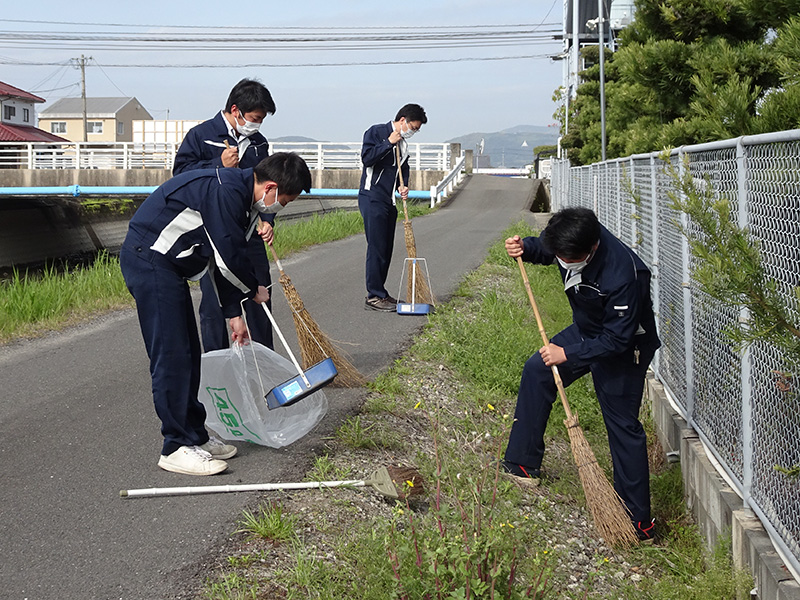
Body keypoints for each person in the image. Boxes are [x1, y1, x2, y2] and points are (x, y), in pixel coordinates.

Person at [120, 153, 312, 476]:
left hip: (171, 267)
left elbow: (216, 263)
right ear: (271, 188)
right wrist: (254, 289)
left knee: (189, 353)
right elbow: (229, 257)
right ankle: (175, 446)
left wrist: (234, 313)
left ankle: (195, 435)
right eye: (285, 200)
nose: (281, 207)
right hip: (149, 259)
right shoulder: (226, 192)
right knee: (171, 354)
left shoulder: (244, 202)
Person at [501, 207, 661, 542]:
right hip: (587, 330)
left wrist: (567, 353)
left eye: (566, 256)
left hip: (626, 346)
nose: (560, 259)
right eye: (557, 252)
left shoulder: (625, 274)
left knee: (621, 424)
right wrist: (525, 248)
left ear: (591, 249)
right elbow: (547, 249)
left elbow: (617, 340)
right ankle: (522, 463)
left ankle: (638, 523)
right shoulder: (570, 237)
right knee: (537, 371)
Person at [173, 78, 278, 350]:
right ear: (236, 110)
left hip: (249, 232)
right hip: (211, 232)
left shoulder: (259, 144)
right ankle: (216, 367)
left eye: (261, 120)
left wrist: (267, 220)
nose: (257, 125)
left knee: (260, 295)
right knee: (214, 302)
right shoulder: (201, 135)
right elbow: (181, 176)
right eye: (255, 118)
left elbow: (266, 188)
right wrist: (216, 164)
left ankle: (265, 364)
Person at [358, 103, 427, 311]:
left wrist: (403, 184)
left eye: (416, 130)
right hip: (372, 197)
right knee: (377, 247)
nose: (413, 132)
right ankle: (373, 296)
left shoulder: (404, 144)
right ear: (403, 120)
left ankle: (381, 292)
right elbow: (367, 159)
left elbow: (403, 167)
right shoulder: (376, 131)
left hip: (389, 200)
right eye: (413, 127)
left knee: (386, 248)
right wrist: (388, 142)